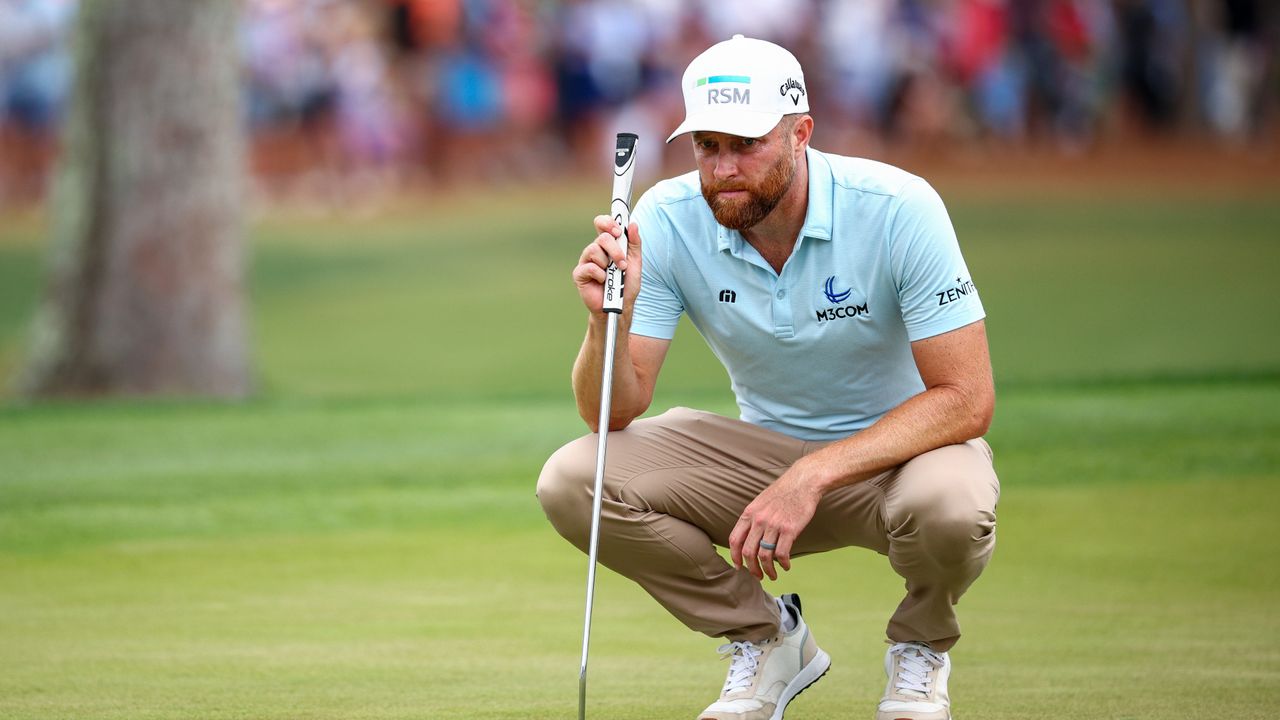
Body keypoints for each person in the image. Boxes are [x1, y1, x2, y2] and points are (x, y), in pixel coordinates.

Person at [538, 34, 999, 720]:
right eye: (707, 146)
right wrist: (608, 319)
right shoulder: (665, 219)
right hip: (759, 467)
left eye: (746, 144)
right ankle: (768, 637)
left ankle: (921, 647)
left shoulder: (899, 206)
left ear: (800, 134)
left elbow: (968, 400)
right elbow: (612, 410)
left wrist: (810, 476)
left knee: (952, 505)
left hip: (904, 459)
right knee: (573, 479)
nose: (724, 168)